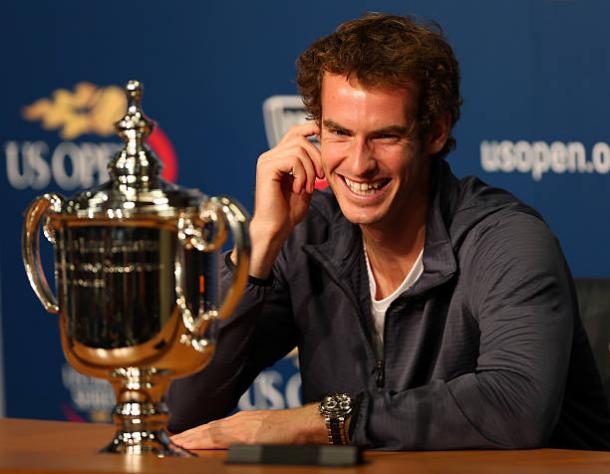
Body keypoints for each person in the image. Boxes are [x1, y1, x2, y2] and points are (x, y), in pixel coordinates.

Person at [168, 13, 610, 450]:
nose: (358, 163)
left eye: (386, 137)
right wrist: (260, 244)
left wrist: (324, 421)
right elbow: (177, 409)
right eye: (339, 133)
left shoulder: (506, 239)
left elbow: (518, 406)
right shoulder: (307, 234)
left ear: (435, 132)